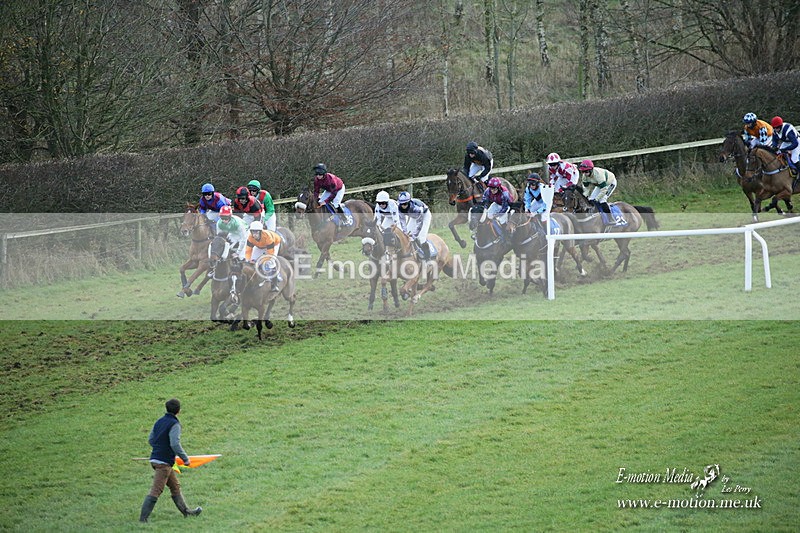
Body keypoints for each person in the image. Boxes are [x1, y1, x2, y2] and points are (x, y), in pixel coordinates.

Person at [139, 398, 201, 523]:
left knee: (175, 486)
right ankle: (143, 520)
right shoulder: (175, 424)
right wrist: (185, 459)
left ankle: (187, 512)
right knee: (156, 490)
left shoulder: (159, 422)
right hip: (164, 463)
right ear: (179, 411)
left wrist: (159, 448)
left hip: (156, 459)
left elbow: (151, 440)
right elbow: (175, 444)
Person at [577, 159, 624, 225]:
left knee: (602, 199)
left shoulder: (598, 175)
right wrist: (586, 195)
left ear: (591, 169)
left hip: (610, 183)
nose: (585, 173)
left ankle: (611, 218)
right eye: (583, 171)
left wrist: (597, 198)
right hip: (600, 185)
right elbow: (587, 188)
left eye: (586, 171)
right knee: (591, 199)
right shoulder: (584, 177)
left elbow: (604, 190)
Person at [245, 220, 283, 291]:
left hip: (274, 244)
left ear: (260, 231)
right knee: (252, 260)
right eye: (253, 232)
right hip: (260, 246)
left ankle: (275, 283)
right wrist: (248, 259)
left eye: (256, 232)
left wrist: (260, 262)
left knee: (270, 262)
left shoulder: (268, 237)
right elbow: (248, 251)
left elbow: (270, 254)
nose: (254, 235)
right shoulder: (250, 237)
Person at [397, 191, 433, 260]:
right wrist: (405, 232)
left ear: (409, 202)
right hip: (413, 217)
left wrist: (414, 235)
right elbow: (403, 222)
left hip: (424, 216)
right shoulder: (399, 208)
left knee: (421, 238)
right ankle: (414, 253)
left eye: (405, 203)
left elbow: (419, 224)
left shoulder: (416, 208)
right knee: (407, 236)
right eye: (401, 204)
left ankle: (428, 258)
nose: (403, 206)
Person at [481, 176, 512, 242]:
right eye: (491, 189)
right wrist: (485, 208)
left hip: (506, 206)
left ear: (498, 188)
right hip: (496, 204)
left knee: (501, 220)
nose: (492, 191)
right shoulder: (488, 191)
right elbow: (484, 201)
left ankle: (505, 235)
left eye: (494, 189)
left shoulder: (504, 193)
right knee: (488, 215)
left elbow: (505, 207)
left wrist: (497, 215)